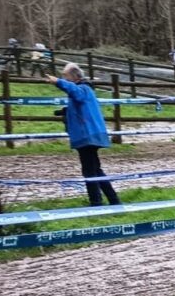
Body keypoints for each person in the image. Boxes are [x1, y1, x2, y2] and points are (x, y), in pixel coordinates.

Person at [46, 63, 121, 206]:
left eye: (66, 76)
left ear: (74, 76)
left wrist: (58, 82)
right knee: (95, 169)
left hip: (87, 135)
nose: (64, 78)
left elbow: (76, 93)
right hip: (89, 134)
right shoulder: (85, 89)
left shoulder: (83, 89)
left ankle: (96, 203)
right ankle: (113, 200)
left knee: (89, 171)